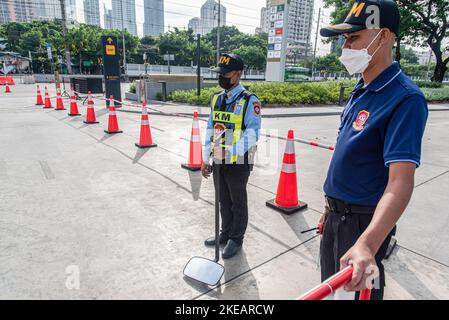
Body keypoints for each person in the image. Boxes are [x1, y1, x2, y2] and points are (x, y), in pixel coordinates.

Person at [319, 0, 428, 299]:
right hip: (336, 217)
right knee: (331, 293)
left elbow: (400, 181)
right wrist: (329, 206)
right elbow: (347, 155)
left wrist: (368, 243)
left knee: (357, 295)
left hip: (362, 223)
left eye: (354, 38)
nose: (346, 47)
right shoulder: (361, 88)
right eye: (345, 40)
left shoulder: (405, 99)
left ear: (384, 37)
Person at [201, 53, 262, 259]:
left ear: (237, 74)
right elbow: (211, 129)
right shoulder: (217, 99)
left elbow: (252, 134)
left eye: (225, 73)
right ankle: (225, 233)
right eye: (220, 73)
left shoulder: (249, 101)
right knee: (222, 200)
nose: (221, 77)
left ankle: (236, 238)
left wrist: (231, 152)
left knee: (238, 202)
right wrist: (205, 158)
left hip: (238, 162)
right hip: (218, 158)